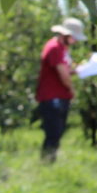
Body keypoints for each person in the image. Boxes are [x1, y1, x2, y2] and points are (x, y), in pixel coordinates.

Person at [36, 18, 86, 162]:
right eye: (74, 38)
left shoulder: (62, 49)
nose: (75, 41)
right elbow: (63, 74)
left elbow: (65, 70)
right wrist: (72, 89)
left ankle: (50, 161)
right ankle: (47, 163)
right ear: (66, 35)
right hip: (52, 97)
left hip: (58, 96)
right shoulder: (54, 48)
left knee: (57, 132)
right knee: (53, 132)